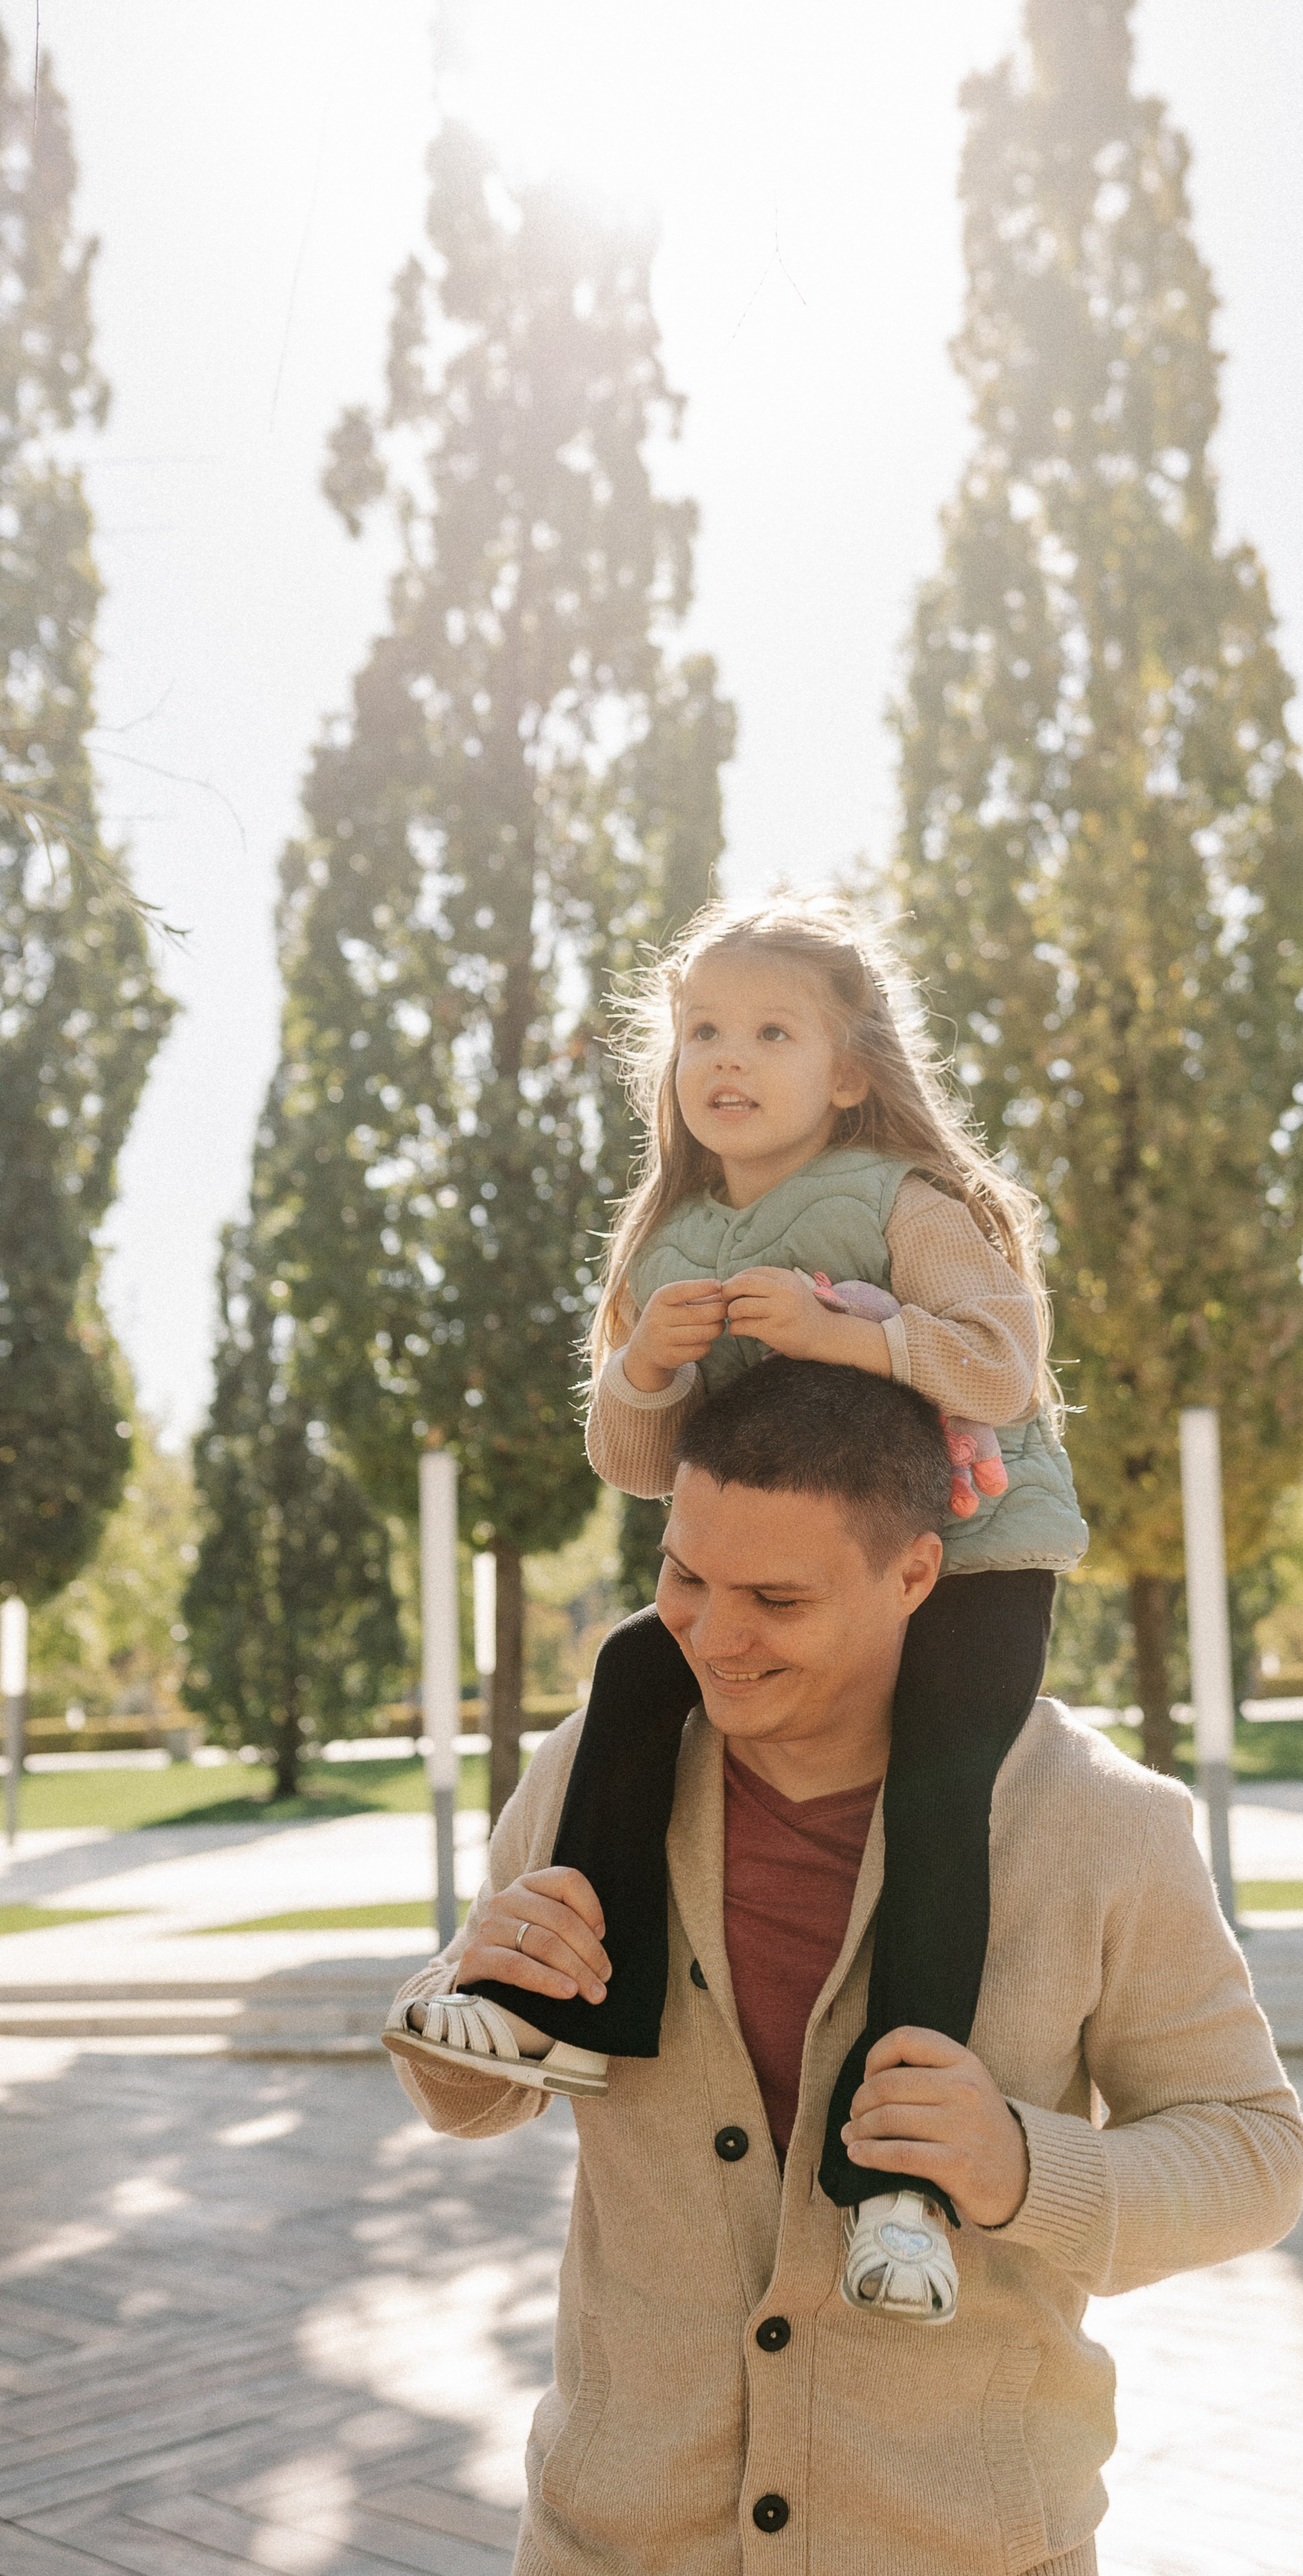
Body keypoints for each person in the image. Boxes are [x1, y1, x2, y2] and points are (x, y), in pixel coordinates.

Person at [386, 1362, 1303, 2576]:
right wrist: (463, 1992)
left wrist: (1022, 2167)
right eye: (685, 1576)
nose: (715, 1636)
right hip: (612, 2546)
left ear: (915, 1574)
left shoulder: (1102, 1822)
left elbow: (1255, 2154)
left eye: (776, 1597)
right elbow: (471, 2097)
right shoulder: (586, 1773)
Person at [386, 895, 1091, 2321]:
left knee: (937, 1798)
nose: (726, 1056)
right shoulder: (671, 1243)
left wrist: (848, 1332)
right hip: (789, 1586)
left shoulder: (898, 1200)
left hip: (973, 1558)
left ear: (848, 1072)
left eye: (771, 1032)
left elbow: (1002, 1365)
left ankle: (895, 2188)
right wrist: (642, 1364)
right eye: (702, 1029)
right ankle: (563, 2009)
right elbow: (638, 1461)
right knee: (634, 1671)